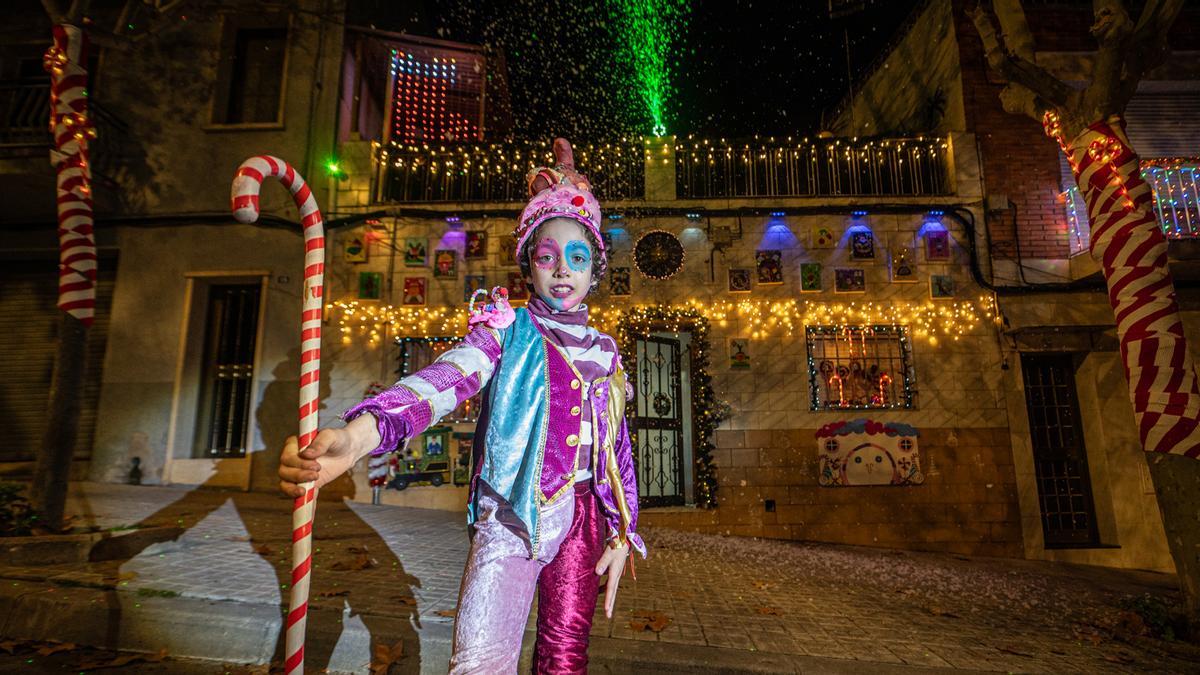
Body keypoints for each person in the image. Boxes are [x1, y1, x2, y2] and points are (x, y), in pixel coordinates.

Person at [278, 138, 646, 674]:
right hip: (514, 516)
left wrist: (621, 528)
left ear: (595, 270)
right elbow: (443, 381)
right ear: (529, 267)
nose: (563, 269)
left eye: (578, 256)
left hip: (584, 521)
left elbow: (616, 450)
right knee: (479, 661)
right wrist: (359, 436)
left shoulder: (606, 353)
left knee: (565, 660)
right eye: (547, 257)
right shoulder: (506, 331)